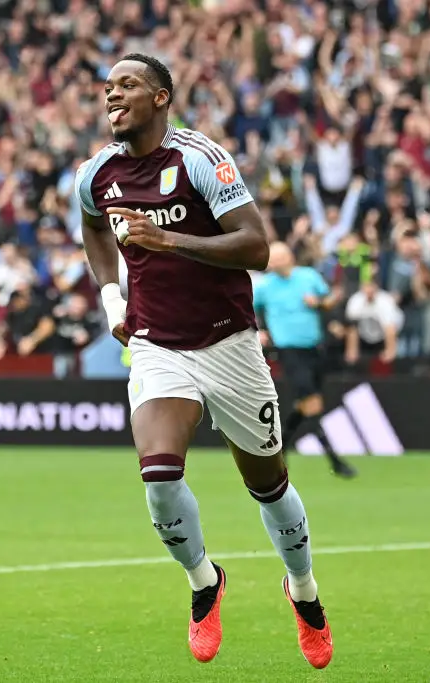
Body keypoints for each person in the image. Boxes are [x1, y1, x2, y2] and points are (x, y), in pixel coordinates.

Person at [78, 54, 333, 668]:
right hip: (157, 344)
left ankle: (303, 590)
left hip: (230, 345)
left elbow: (256, 247)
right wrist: (113, 300)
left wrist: (168, 239)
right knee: (159, 476)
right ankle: (203, 582)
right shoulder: (96, 174)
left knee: (268, 486)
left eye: (128, 85)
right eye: (108, 88)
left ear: (161, 97)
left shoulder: (200, 158)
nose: (113, 95)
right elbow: (93, 228)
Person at [255, 242, 356, 479]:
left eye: (278, 257)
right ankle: (335, 460)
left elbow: (329, 300)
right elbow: (247, 309)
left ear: (289, 257)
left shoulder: (308, 276)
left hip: (314, 349)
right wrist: (258, 330)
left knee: (303, 405)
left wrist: (318, 303)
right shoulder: (264, 286)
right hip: (289, 351)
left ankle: (278, 452)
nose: (273, 262)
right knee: (312, 404)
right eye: (271, 258)